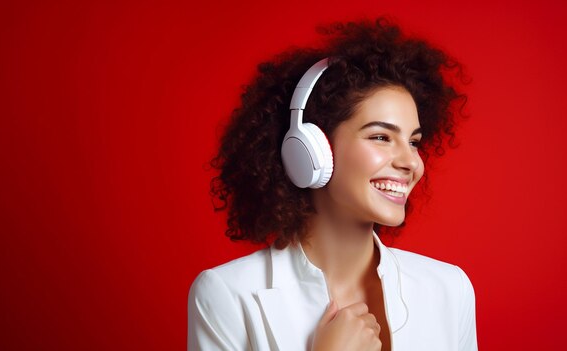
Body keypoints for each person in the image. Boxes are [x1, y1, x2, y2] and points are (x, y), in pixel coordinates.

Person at [188, 18, 477, 351]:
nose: (411, 162)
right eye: (381, 137)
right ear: (311, 151)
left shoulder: (449, 288)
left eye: (413, 142)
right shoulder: (227, 295)